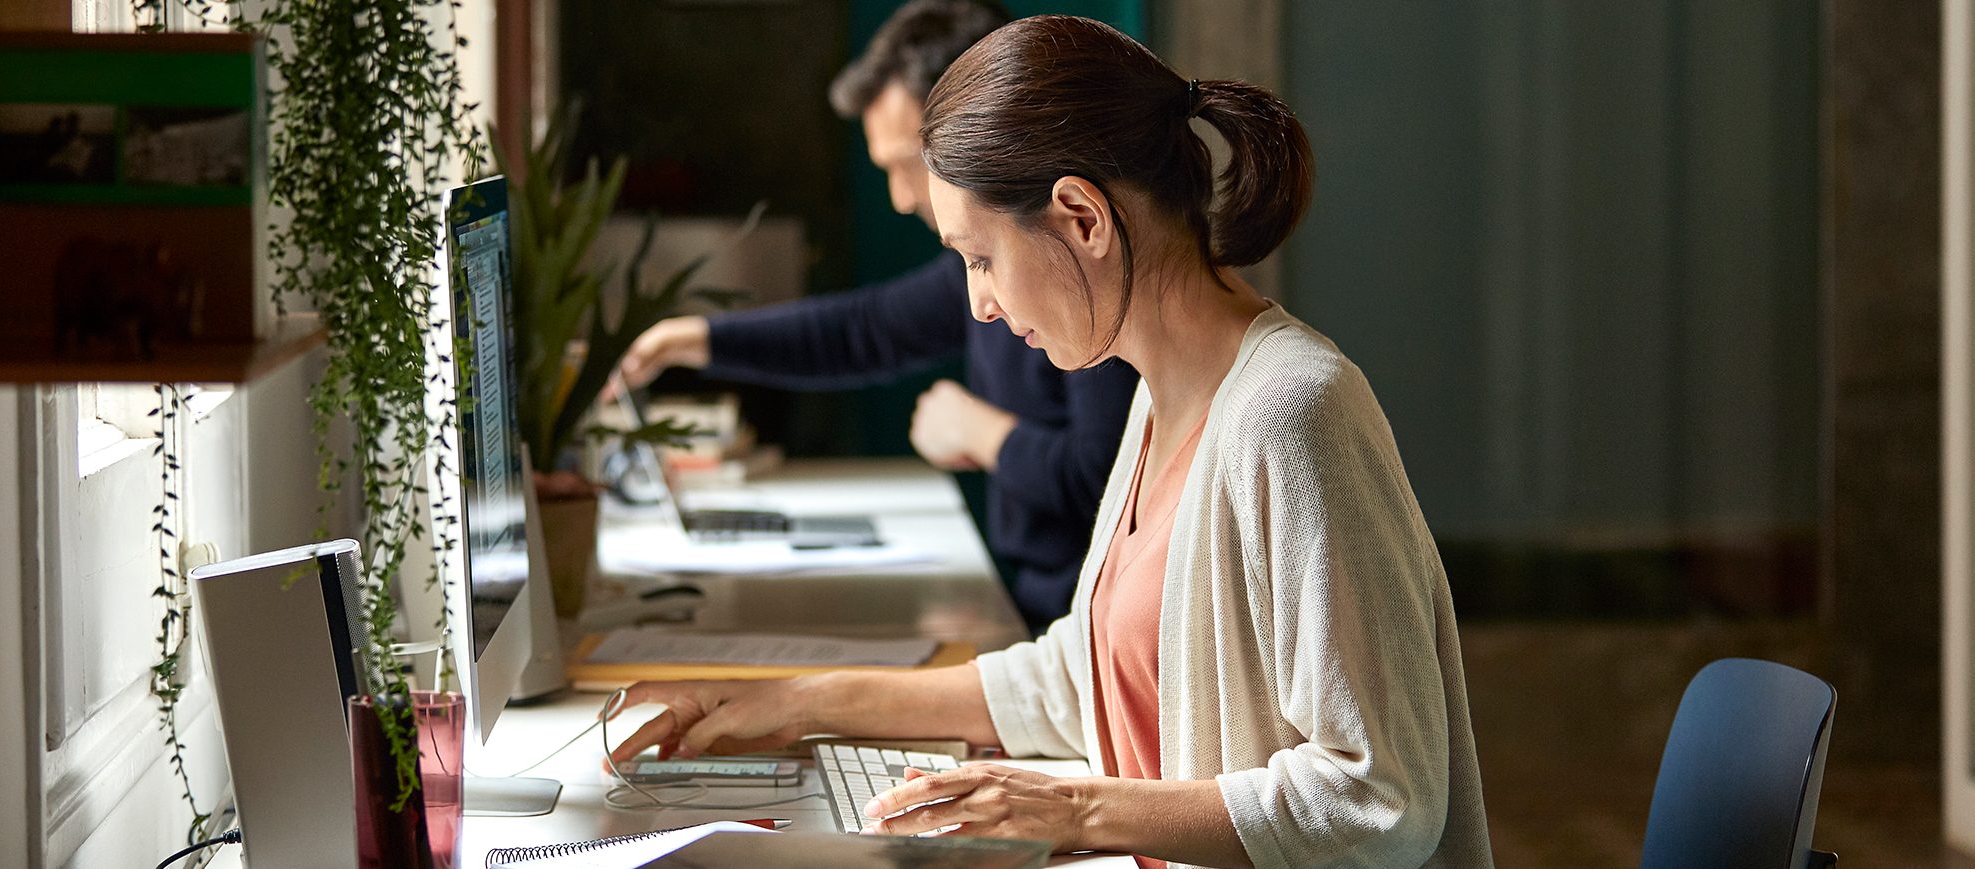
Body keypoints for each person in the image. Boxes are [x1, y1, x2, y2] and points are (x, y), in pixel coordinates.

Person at [605, 14, 1494, 869]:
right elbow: (1082, 678)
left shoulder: (1293, 412)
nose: (977, 304)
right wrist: (801, 703)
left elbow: (1381, 799)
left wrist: (1075, 809)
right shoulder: (1161, 394)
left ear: (1082, 217)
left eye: (980, 258)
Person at [613, 0, 1138, 631]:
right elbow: (862, 329)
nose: (900, 198)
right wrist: (695, 339)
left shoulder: (1075, 279)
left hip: (1079, 628)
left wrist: (982, 434)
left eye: (907, 165)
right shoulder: (994, 273)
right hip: (1039, 614)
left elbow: (1114, 484)